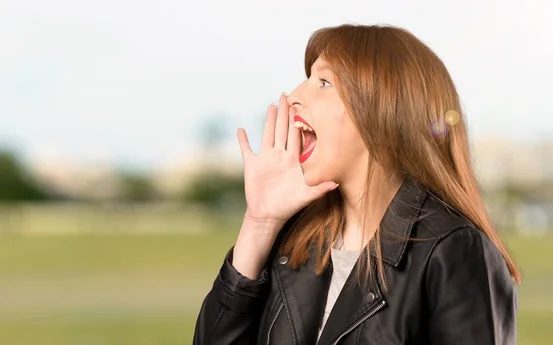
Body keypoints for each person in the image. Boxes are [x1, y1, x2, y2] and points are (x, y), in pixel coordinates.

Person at [193, 24, 520, 345]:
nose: (292, 96)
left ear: (383, 111)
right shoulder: (294, 242)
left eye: (323, 82)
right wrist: (259, 223)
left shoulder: (454, 251)